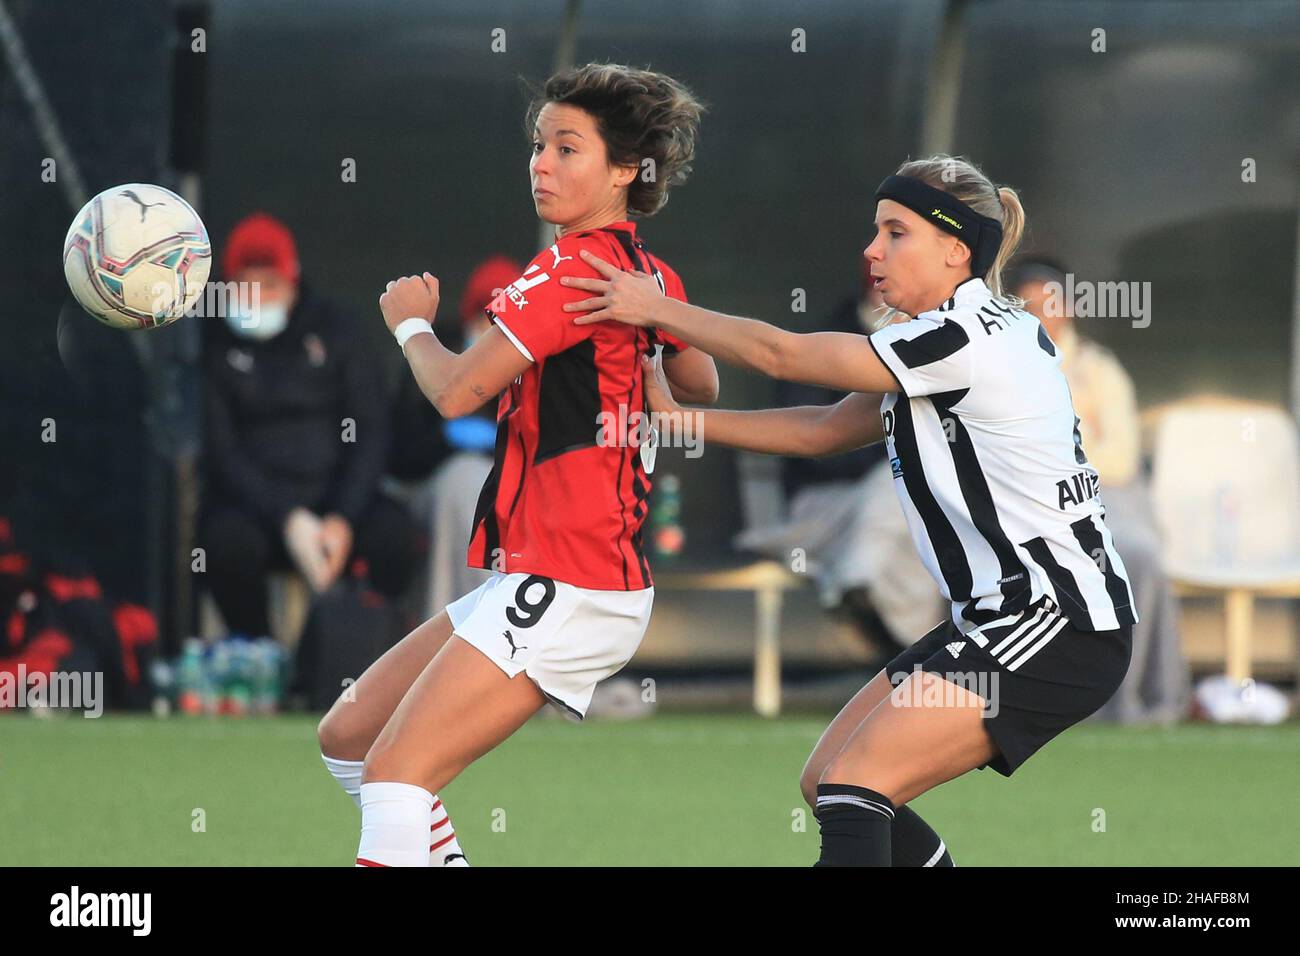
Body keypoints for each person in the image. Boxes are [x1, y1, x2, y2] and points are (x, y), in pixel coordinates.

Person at [564, 154, 1137, 866]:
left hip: (1055, 624)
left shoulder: (960, 338)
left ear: (957, 249)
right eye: (876, 231)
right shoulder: (966, 330)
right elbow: (824, 430)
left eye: (896, 232)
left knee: (857, 788)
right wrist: (679, 419)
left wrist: (656, 308)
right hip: (1010, 619)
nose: (872, 249)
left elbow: (780, 354)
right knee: (828, 781)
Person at [315, 63, 719, 867]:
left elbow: (458, 391)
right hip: (551, 571)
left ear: (625, 170)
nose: (542, 163)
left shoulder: (569, 267)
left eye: (568, 148)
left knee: (397, 777)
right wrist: (646, 360)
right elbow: (701, 379)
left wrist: (410, 326)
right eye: (539, 146)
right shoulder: (650, 273)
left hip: (574, 574)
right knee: (351, 737)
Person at [201, 213, 414, 640]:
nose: (257, 298)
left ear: (293, 283)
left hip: (337, 502)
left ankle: (360, 652)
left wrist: (342, 518)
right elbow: (221, 450)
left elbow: (371, 432)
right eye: (247, 286)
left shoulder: (337, 331)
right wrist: (288, 518)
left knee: (396, 538)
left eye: (270, 285)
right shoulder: (212, 343)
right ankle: (260, 653)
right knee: (222, 546)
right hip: (258, 510)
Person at [1010, 259, 1188, 724]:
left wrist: (1064, 453)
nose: (1040, 314)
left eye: (1049, 303)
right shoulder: (1004, 365)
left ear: (1067, 308)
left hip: (1108, 496)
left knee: (1138, 554)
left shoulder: (1098, 368)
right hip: (1029, 501)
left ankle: (1123, 702)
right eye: (1027, 305)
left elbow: (1122, 458)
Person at [736, 256, 943, 653]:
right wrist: (883, 453)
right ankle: (867, 602)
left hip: (892, 516)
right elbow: (811, 447)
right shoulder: (829, 338)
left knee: (914, 528)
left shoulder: (935, 347)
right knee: (896, 483)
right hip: (819, 511)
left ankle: (873, 616)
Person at [386, 256, 521, 619]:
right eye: (485, 319)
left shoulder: (531, 360)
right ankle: (457, 626)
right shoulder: (435, 350)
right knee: (466, 481)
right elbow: (400, 456)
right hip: (433, 489)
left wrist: (496, 441)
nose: (492, 332)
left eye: (503, 322)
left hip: (512, 495)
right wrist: (446, 439)